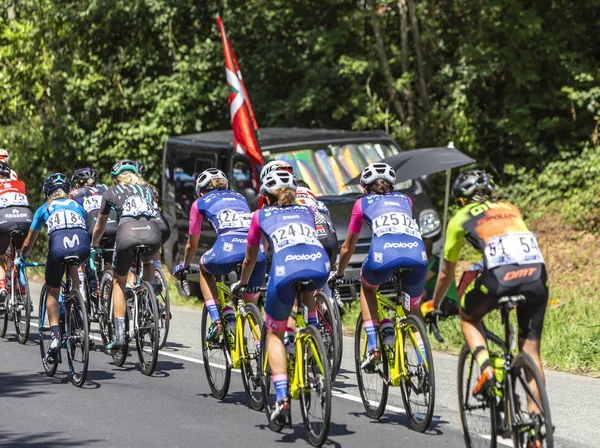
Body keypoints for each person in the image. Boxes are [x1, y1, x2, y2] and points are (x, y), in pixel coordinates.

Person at [423, 170, 548, 402]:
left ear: (461, 200)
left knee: (468, 317)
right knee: (531, 353)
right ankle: (535, 434)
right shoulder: (510, 208)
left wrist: (434, 304)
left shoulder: (460, 218)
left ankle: (486, 369)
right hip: (537, 275)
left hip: (500, 277)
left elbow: (446, 272)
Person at [232, 170, 329, 421]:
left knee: (274, 332)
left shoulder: (259, 215)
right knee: (307, 295)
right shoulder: (306, 211)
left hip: (286, 270)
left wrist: (243, 283)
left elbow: (251, 258)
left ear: (265, 197)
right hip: (319, 266)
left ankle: (283, 397)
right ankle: (312, 344)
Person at [332, 162, 428, 370]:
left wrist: (339, 273)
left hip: (383, 255)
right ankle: (424, 364)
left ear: (365, 188)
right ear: (392, 186)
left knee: (367, 288)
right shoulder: (406, 199)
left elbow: (348, 247)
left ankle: (374, 346)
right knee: (412, 310)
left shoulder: (362, 203)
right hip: (417, 255)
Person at [172, 168, 266, 340]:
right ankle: (259, 347)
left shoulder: (199, 202)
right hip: (255, 253)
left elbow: (192, 244)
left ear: (200, 191)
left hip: (227, 250)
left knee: (203, 266)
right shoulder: (240, 197)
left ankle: (217, 321)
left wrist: (184, 265)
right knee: (250, 304)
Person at [18, 174, 89, 362]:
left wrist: (22, 258)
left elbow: (29, 240)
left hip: (58, 248)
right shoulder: (77, 205)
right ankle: (77, 303)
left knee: (52, 291)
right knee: (75, 263)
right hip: (82, 245)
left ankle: (56, 337)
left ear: (47, 192)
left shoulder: (44, 208)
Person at [91, 160, 161, 350]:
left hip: (128, 234)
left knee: (118, 282)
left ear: (115, 179)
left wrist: (93, 244)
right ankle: (149, 305)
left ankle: (120, 334)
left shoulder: (110, 192)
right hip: (153, 233)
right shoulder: (149, 191)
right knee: (148, 264)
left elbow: (100, 226)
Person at [0, 162, 33, 306]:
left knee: (0, 257)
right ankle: (23, 291)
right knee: (19, 256)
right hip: (25, 218)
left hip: (5, 219)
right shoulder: (20, 183)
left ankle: (1, 287)